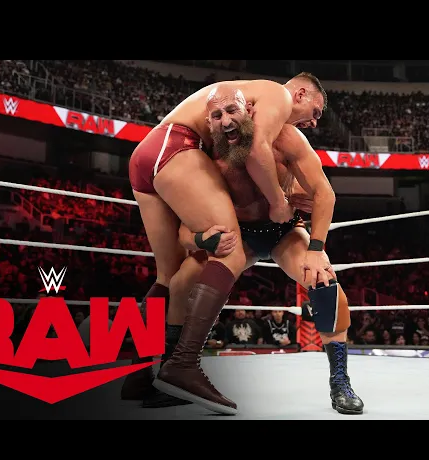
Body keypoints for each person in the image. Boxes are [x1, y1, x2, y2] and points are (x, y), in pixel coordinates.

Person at [150, 89, 363, 415]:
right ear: (209, 122)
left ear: (248, 109)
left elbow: (325, 193)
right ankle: (172, 373)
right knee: (180, 283)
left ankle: (340, 381)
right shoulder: (204, 158)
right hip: (239, 237)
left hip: (284, 232)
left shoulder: (286, 138)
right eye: (217, 116)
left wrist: (317, 248)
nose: (226, 122)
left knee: (325, 282)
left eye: (232, 111)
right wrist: (204, 239)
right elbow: (183, 233)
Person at [122, 74, 326, 403]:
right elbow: (256, 150)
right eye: (315, 112)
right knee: (229, 250)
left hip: (148, 153)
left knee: (168, 276)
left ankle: (140, 376)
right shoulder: (279, 95)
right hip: (177, 147)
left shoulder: (248, 110)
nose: (314, 123)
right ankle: (183, 366)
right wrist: (279, 202)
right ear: (300, 94)